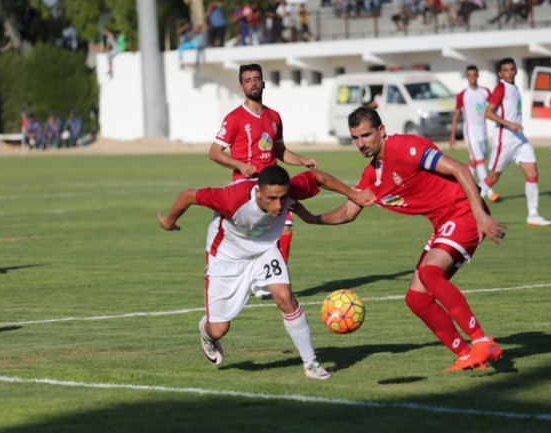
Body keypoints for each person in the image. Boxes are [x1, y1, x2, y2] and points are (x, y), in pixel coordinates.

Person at [292, 107, 506, 371]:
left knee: (429, 273)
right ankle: (464, 353)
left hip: (463, 213)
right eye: (355, 138)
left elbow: (461, 169)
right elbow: (348, 212)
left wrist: (480, 215)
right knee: (416, 299)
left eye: (366, 135)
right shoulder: (372, 175)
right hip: (443, 224)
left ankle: (482, 341)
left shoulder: (406, 148)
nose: (361, 143)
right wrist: (312, 218)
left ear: (381, 131)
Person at [157, 165, 372, 379]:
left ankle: (311, 363)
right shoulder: (231, 199)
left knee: (284, 296)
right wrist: (168, 222)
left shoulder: (289, 191)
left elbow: (318, 178)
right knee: (219, 329)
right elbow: (188, 195)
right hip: (226, 256)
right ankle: (206, 332)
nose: (279, 205)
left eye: (283, 197)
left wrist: (354, 195)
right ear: (258, 193)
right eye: (272, 198)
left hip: (265, 249)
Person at [209, 63, 318, 271]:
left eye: (256, 79)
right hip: (248, 187)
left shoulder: (274, 117)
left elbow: (280, 151)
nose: (253, 84)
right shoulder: (234, 118)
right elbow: (214, 152)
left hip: (273, 186)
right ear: (241, 87)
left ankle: (277, 280)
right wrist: (241, 166)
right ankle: (239, 273)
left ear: (264, 83)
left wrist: (303, 161)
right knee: (252, 239)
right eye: (248, 80)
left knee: (285, 230)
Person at [484, 57, 551, 227]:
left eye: (512, 69)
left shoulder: (513, 88)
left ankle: (533, 214)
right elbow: (488, 113)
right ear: (500, 73)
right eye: (505, 70)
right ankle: (466, 206)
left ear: (515, 71)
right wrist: (510, 124)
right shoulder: (501, 88)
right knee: (493, 177)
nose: (509, 72)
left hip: (519, 140)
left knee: (533, 173)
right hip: (505, 139)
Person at [449, 65, 499, 203]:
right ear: (466, 76)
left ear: (477, 75)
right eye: (469, 75)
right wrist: (453, 135)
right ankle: (488, 193)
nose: (472, 77)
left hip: (482, 129)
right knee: (480, 161)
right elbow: (456, 114)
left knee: (475, 161)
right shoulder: (463, 95)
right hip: (470, 130)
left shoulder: (485, 92)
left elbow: (494, 106)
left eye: (474, 74)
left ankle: (463, 188)